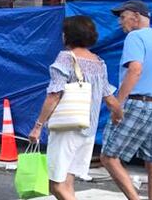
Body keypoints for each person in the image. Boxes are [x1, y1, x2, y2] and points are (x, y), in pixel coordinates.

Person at [28, 16, 122, 199]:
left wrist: (38, 126)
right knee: (68, 180)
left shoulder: (66, 58)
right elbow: (109, 98)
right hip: (89, 129)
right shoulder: (98, 62)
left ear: (67, 36)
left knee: (55, 184)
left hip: (67, 128)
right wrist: (118, 114)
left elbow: (54, 94)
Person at [101, 0, 152, 200]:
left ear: (136, 16)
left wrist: (118, 103)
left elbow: (135, 69)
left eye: (123, 16)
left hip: (138, 103)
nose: (120, 22)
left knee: (109, 157)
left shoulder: (135, 37)